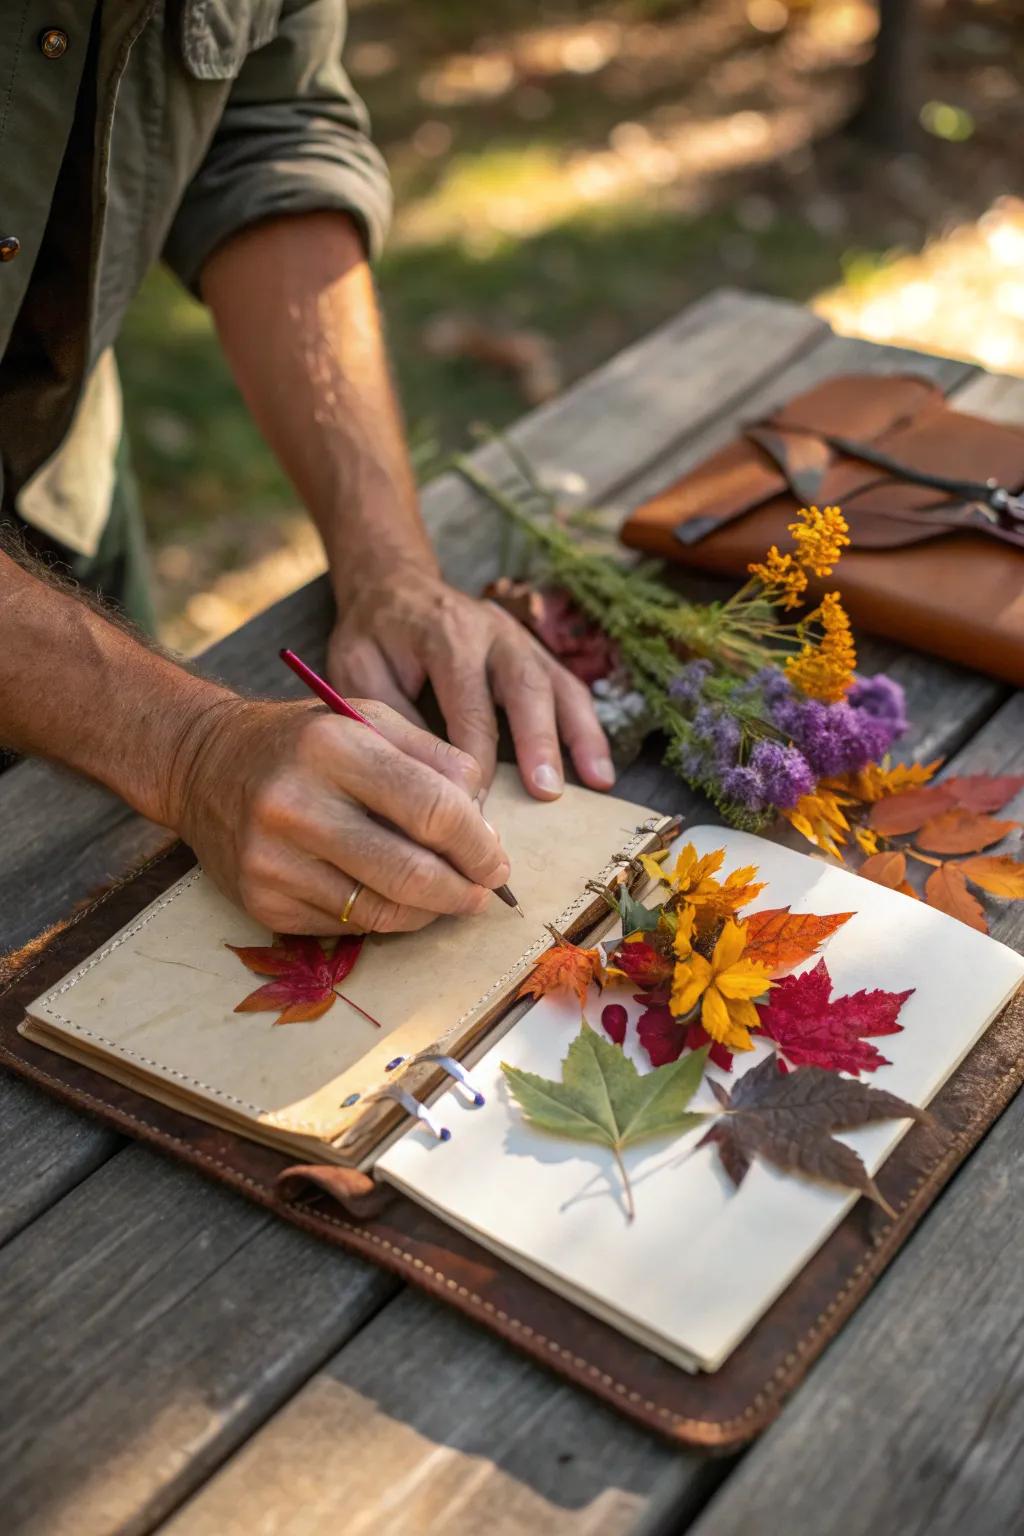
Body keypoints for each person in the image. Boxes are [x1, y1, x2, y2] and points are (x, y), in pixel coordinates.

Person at [0, 3, 614, 937]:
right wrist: (190, 747)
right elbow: (183, 749)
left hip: (56, 476)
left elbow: (267, 130)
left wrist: (388, 563)